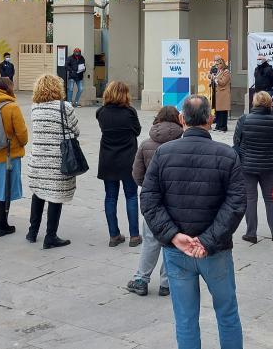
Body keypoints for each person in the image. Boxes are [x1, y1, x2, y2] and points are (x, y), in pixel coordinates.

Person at [140, 95, 245, 349]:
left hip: (178, 249)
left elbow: (149, 200)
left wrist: (174, 236)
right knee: (227, 314)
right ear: (210, 119)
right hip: (215, 250)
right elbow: (236, 204)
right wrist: (207, 240)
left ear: (181, 119)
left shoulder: (163, 154)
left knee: (185, 320)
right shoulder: (226, 155)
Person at [127, 106, 183, 297]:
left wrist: (149, 188)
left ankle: (141, 279)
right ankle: (166, 284)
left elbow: (137, 174)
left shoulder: (145, 144)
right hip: (176, 202)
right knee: (171, 241)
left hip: (153, 201)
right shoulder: (182, 143)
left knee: (150, 241)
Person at [27, 74, 78, 248]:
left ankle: (32, 232)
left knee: (39, 193)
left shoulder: (35, 108)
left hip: (38, 160)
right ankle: (51, 236)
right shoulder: (65, 107)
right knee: (55, 196)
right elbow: (75, 130)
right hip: (57, 161)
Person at [96, 80, 143, 247]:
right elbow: (137, 130)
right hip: (127, 159)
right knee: (131, 196)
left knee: (110, 197)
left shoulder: (101, 112)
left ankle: (114, 235)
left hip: (108, 160)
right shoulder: (129, 112)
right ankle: (135, 235)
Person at [233, 91, 273, 243]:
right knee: (270, 198)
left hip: (247, 165)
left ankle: (251, 233)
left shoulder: (244, 119)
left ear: (254, 103)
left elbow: (236, 142)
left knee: (250, 198)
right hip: (268, 165)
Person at [0, 77, 28, 237]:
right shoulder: (12, 107)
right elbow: (22, 133)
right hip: (8, 155)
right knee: (5, 191)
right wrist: (22, 143)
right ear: (8, 88)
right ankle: (3, 225)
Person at [209, 56, 232, 132]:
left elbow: (223, 82)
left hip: (223, 93)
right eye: (216, 64)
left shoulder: (226, 71)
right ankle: (218, 126)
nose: (217, 66)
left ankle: (223, 127)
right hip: (217, 93)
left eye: (218, 64)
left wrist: (216, 78)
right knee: (218, 111)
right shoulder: (218, 71)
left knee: (223, 111)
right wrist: (212, 77)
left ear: (222, 64)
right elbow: (213, 77)